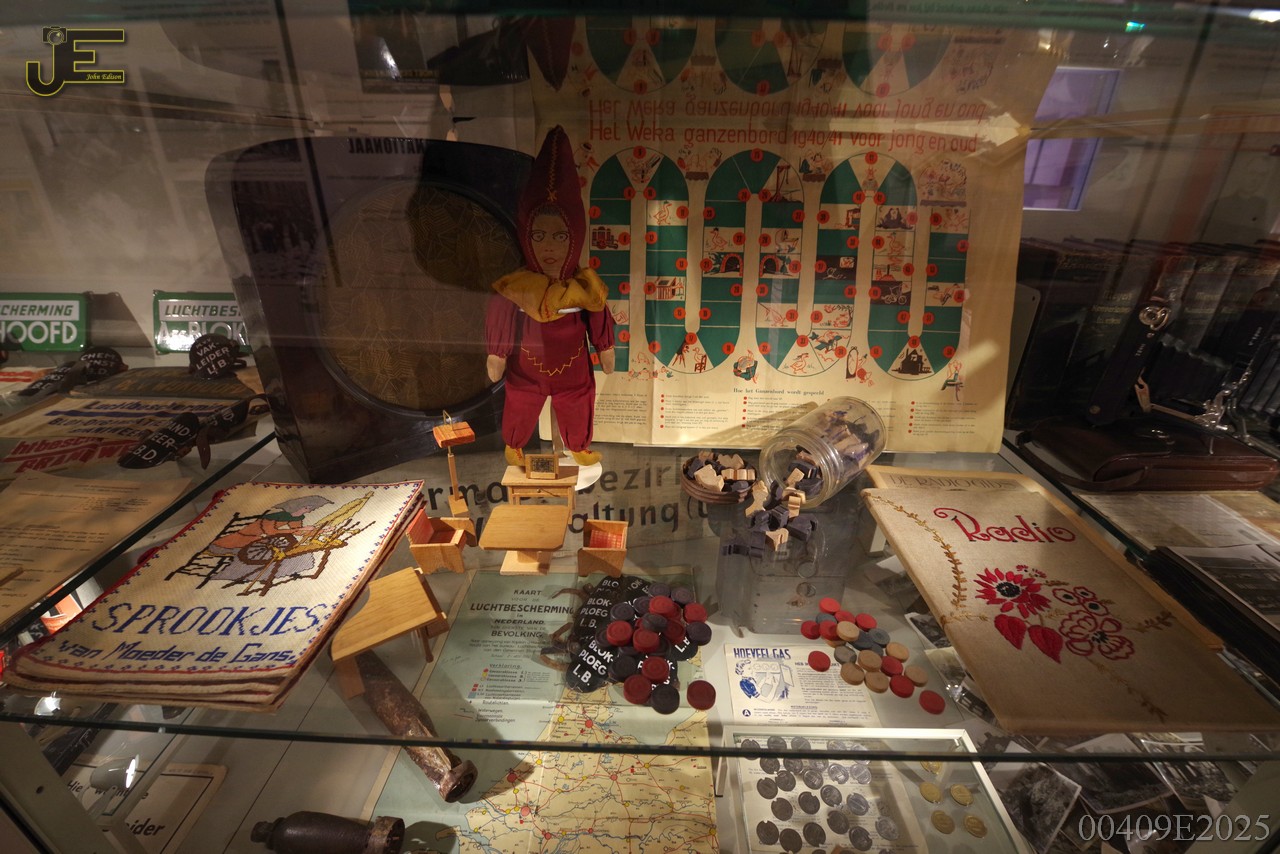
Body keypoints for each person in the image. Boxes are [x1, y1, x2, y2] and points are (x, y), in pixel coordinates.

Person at [486, 126, 616, 467]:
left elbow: (597, 312)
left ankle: (578, 445)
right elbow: (501, 310)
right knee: (520, 399)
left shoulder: (584, 286)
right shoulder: (518, 285)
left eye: (560, 237)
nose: (548, 247)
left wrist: (605, 346)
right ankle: (515, 444)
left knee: (578, 400)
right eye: (538, 235)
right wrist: (497, 353)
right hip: (526, 369)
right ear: (526, 236)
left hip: (573, 371)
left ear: (575, 238)